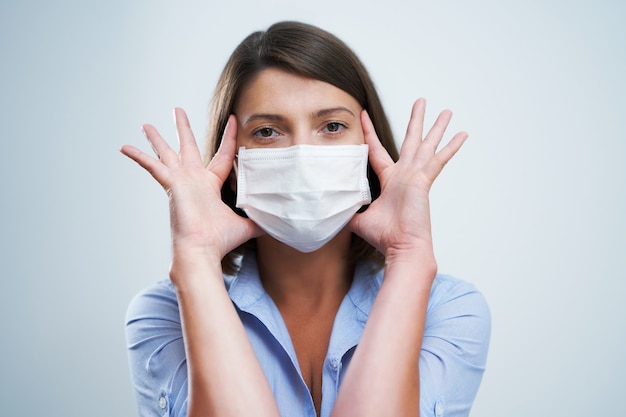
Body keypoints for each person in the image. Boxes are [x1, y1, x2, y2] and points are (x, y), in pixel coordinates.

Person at [121, 21, 490, 417]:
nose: (302, 156)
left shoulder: (450, 309)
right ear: (230, 163)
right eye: (267, 131)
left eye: (332, 126)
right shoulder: (162, 314)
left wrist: (409, 254)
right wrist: (195, 257)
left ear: (368, 144)